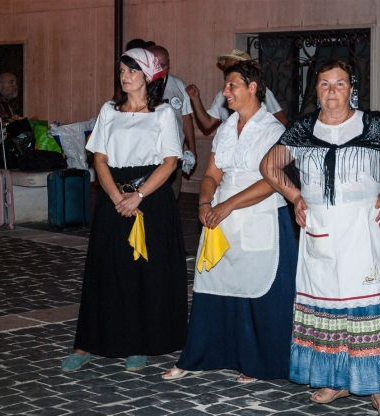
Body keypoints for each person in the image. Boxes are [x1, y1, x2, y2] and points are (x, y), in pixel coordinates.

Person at [260, 59, 380, 416]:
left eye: (340, 84)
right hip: (319, 227)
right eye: (325, 84)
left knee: (366, 303)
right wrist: (295, 197)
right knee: (327, 302)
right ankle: (336, 379)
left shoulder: (370, 125)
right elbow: (269, 167)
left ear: (352, 89)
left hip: (363, 227)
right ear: (315, 90)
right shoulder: (303, 129)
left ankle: (378, 388)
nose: (332, 91)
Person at [162, 60, 296, 382]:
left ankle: (257, 362)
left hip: (259, 214)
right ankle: (200, 356)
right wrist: (206, 202)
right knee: (213, 286)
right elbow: (211, 174)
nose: (225, 92)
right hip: (221, 216)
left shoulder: (273, 129)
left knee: (257, 291)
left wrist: (229, 205)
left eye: (231, 85)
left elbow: (271, 182)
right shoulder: (225, 127)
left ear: (252, 87)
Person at [61, 48, 188, 372]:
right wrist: (117, 195)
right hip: (113, 193)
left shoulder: (163, 113)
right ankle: (87, 343)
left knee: (143, 271)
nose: (124, 76)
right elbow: (98, 158)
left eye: (131, 71)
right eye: (121, 71)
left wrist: (138, 195)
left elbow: (171, 161)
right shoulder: (109, 110)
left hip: (151, 196)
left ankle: (139, 342)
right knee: (106, 268)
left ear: (147, 76)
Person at [187, 49, 287, 135]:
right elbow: (207, 123)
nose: (228, 71)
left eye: (231, 67)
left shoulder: (258, 91)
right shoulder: (222, 95)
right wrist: (195, 99)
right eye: (226, 68)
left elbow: (282, 120)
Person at [149, 45, 197, 199]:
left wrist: (192, 149)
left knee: (171, 197)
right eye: (156, 65)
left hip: (173, 153)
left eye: (164, 65)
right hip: (148, 156)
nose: (160, 69)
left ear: (169, 64)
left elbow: (186, 119)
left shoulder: (178, 84)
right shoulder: (139, 86)